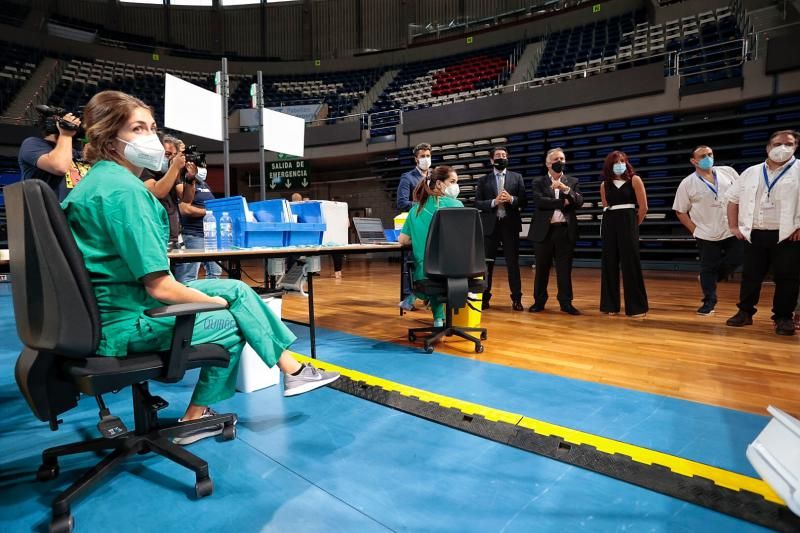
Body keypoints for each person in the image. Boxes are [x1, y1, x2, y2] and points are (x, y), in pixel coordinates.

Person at [61, 90, 339, 445]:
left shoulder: (97, 182)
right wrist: (219, 306)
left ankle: (293, 369)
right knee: (234, 321)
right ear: (108, 139)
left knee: (238, 289)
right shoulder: (124, 193)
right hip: (126, 320)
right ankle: (197, 418)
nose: (152, 139)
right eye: (137, 129)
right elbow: (160, 287)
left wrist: (226, 299)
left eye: (153, 128)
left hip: (109, 307)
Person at [725, 130, 800, 336]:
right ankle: (745, 312)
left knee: (787, 278)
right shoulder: (751, 172)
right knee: (750, 276)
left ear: (795, 147)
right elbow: (732, 200)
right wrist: (733, 227)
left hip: (787, 234)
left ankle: (783, 317)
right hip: (755, 232)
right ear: (768, 147)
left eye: (789, 143)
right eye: (777, 144)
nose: (782, 147)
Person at [673, 145, 743, 315]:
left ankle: (712, 277)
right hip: (706, 232)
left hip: (731, 228)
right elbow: (680, 210)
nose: (707, 158)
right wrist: (695, 230)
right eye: (703, 156)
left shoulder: (728, 172)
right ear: (693, 161)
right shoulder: (687, 183)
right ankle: (709, 302)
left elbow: (742, 195)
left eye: (710, 154)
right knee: (707, 267)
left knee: (738, 257)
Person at [398, 166, 463, 328]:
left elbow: (403, 240)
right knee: (442, 269)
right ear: (439, 184)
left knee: (431, 270)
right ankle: (439, 319)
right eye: (453, 182)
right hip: (460, 270)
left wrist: (420, 238)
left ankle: (437, 319)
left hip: (427, 273)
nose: (456, 186)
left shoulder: (416, 210)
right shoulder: (458, 205)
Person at [527, 148, 584, 315]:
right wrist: (563, 202)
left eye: (562, 158)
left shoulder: (572, 181)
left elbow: (579, 201)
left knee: (564, 270)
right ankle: (539, 301)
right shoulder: (538, 181)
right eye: (556, 159)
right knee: (542, 269)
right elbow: (539, 201)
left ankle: (566, 303)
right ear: (547, 163)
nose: (560, 161)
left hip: (565, 231)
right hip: (544, 231)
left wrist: (566, 189)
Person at [474, 146, 527, 311]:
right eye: (498, 156)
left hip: (509, 225)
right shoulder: (483, 180)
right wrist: (493, 202)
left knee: (513, 264)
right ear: (491, 160)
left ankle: (516, 299)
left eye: (504, 155)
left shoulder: (517, 177)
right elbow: (477, 203)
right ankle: (484, 298)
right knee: (486, 264)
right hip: (490, 226)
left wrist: (511, 199)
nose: (501, 158)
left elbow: (524, 200)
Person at [599, 151, 649, 317]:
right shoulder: (604, 185)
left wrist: (634, 225)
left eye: (622, 161)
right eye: (616, 161)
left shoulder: (635, 180)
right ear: (609, 165)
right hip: (609, 222)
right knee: (609, 263)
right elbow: (606, 205)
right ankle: (610, 305)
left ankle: (636, 307)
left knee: (631, 263)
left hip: (628, 221)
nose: (620, 163)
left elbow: (643, 208)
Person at [19, 105, 88, 200]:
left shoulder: (77, 153)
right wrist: (66, 135)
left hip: (78, 212)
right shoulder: (33, 144)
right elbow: (60, 166)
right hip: (50, 213)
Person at [140, 135, 196, 250]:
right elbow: (158, 192)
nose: (172, 159)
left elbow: (186, 198)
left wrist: (190, 179)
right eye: (167, 154)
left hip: (174, 238)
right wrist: (175, 167)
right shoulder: (145, 169)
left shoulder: (172, 172)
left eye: (174, 155)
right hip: (155, 238)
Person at [397, 142, 433, 311]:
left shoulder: (434, 177)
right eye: (422, 156)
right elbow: (402, 202)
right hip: (414, 224)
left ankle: (429, 295)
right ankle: (407, 297)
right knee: (411, 261)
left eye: (428, 156)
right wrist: (422, 205)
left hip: (431, 225)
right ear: (416, 159)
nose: (426, 159)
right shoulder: (407, 177)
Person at [174, 163, 223, 284]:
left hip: (210, 235)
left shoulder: (204, 184)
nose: (203, 168)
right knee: (189, 274)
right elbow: (185, 209)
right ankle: (186, 299)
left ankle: (212, 298)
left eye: (204, 165)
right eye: (199, 165)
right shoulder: (181, 184)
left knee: (215, 272)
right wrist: (208, 212)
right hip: (194, 235)